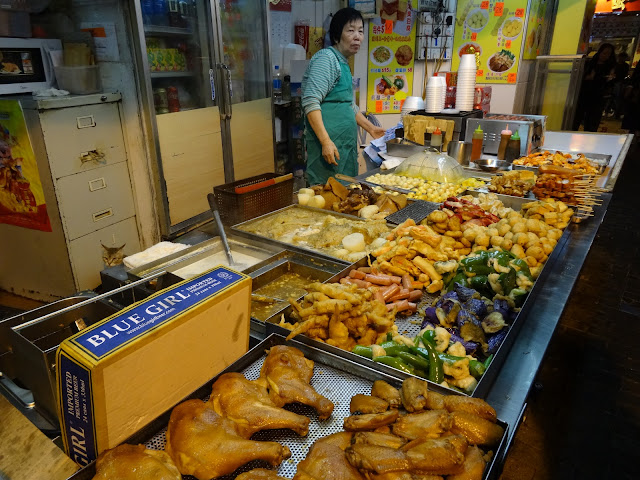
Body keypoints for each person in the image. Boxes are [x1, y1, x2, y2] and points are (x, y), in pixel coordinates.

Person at [302, 8, 385, 186]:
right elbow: (310, 102)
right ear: (337, 34)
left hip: (344, 145)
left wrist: (371, 128)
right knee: (325, 194)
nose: (357, 36)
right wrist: (325, 141)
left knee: (346, 194)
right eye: (350, 30)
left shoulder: (343, 62)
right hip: (327, 147)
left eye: (361, 31)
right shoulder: (326, 59)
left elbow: (348, 105)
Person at [572, 43, 616, 132]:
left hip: (598, 97)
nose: (605, 56)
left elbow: (610, 84)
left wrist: (610, 79)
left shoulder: (610, 67)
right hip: (584, 94)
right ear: (600, 52)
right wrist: (588, 77)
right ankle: (571, 134)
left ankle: (589, 139)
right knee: (577, 118)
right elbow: (580, 77)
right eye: (604, 53)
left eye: (608, 54)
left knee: (592, 121)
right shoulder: (590, 62)